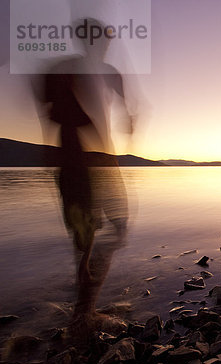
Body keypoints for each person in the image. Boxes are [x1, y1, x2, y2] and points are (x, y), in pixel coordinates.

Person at [37, 18, 135, 337]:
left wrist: (129, 115)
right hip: (76, 163)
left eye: (107, 39)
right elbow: (53, 111)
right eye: (98, 38)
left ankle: (84, 309)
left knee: (117, 228)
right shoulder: (63, 69)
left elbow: (121, 100)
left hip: (104, 163)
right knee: (86, 237)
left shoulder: (108, 73)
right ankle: (83, 315)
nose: (105, 44)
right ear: (84, 40)